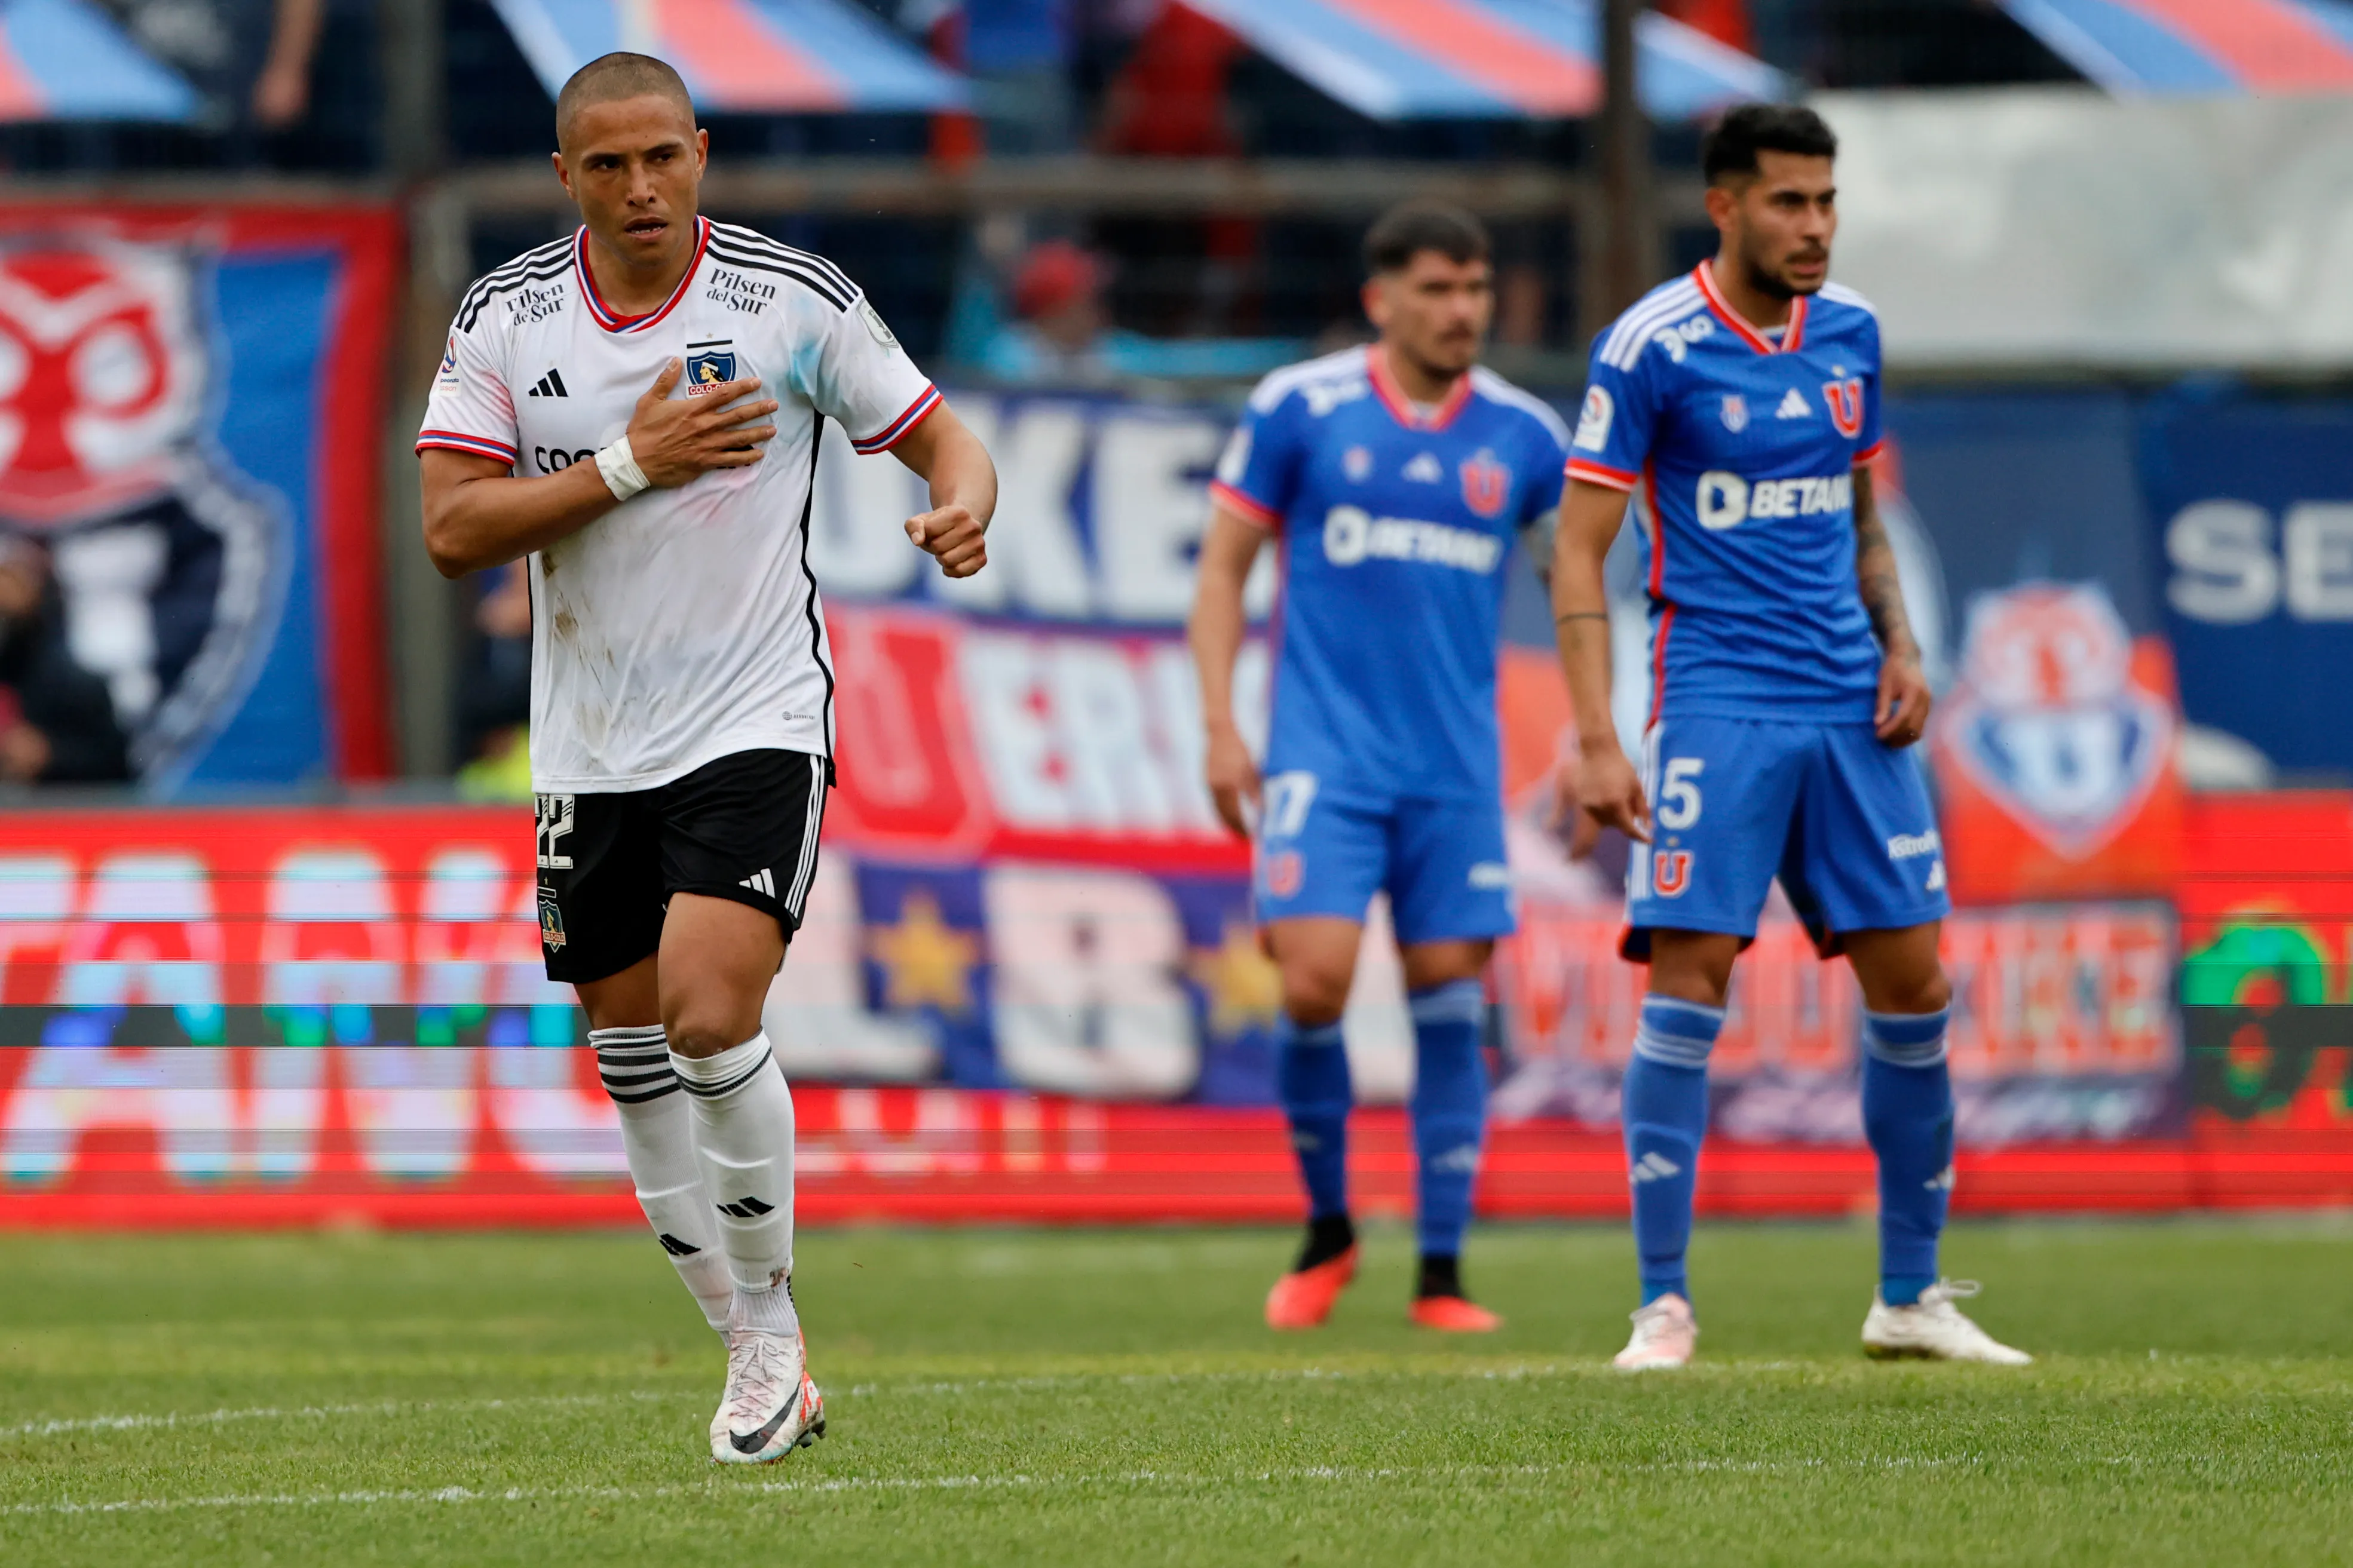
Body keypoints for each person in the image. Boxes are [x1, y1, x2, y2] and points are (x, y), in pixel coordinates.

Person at [416, 52, 995, 1462]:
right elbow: (450, 531)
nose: (640, 188)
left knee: (704, 1007)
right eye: (607, 166)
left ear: (702, 154)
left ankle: (775, 1321)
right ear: (566, 178)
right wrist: (630, 461)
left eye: (662, 158)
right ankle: (748, 1347)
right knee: (626, 1049)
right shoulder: (504, 318)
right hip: (588, 739)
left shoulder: (790, 300)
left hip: (754, 718)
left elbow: (943, 443)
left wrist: (964, 512)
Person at [1551, 103, 2029, 1370]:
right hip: (1716, 701)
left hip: (1851, 709)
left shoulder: (1852, 333)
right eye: (1786, 202)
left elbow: (1861, 509)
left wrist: (1904, 646)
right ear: (1723, 206)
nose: (1813, 225)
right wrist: (1597, 740)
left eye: (1825, 201)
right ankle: (1661, 1304)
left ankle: (1909, 1297)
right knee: (1689, 981)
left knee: (1915, 987)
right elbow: (1578, 551)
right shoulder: (1650, 347)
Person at [1189, 202, 1570, 1333]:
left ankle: (1442, 1275)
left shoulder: (1523, 436)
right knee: (1310, 980)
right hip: (1324, 758)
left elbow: (1577, 586)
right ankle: (1327, 1228)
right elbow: (1221, 576)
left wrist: (1601, 738)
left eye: (1477, 288)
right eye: (1440, 289)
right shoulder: (1297, 409)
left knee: (1448, 998)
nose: (1463, 311)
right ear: (1382, 299)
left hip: (1454, 772)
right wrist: (1219, 725)